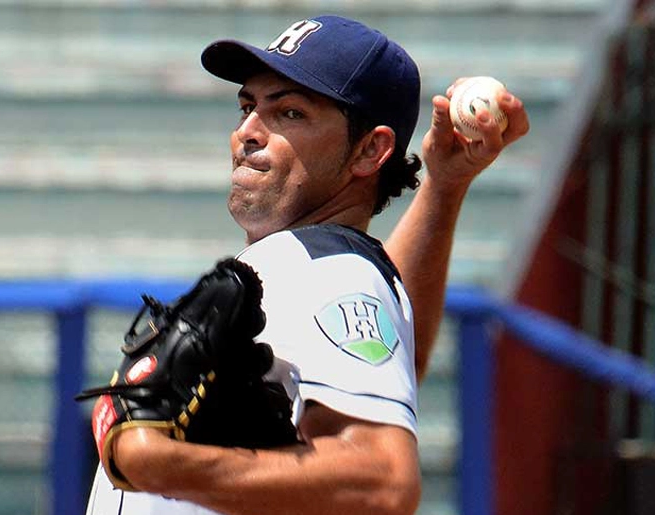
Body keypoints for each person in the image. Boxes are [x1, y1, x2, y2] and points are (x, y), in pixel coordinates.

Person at [86, 14, 529, 515]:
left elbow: (384, 481)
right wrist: (443, 188)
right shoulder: (322, 266)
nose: (247, 132)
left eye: (289, 113)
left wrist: (159, 463)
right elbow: (390, 369)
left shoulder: (322, 268)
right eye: (247, 106)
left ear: (370, 150)